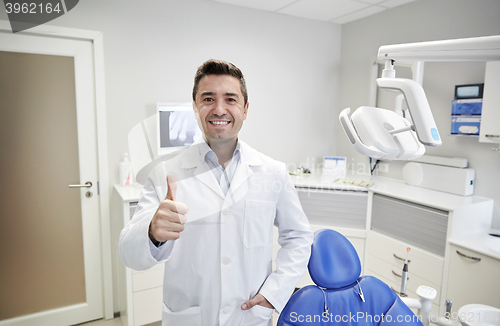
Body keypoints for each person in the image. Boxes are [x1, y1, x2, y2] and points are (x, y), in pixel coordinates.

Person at [119, 59, 313, 326]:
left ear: (245, 109)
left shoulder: (272, 172)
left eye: (230, 99)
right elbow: (129, 254)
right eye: (208, 98)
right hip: (189, 317)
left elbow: (299, 237)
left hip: (249, 315)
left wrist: (275, 293)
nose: (219, 108)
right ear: (195, 109)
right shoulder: (166, 173)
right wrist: (152, 232)